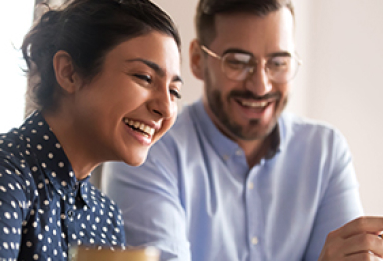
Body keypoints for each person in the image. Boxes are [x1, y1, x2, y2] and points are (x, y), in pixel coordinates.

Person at [103, 0, 383, 260]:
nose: (261, 86)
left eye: (278, 63)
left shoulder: (325, 151)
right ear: (198, 60)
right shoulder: (146, 148)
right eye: (238, 62)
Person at [0, 0, 183, 260]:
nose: (166, 109)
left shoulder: (106, 216)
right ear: (69, 73)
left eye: (174, 91)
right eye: (144, 77)